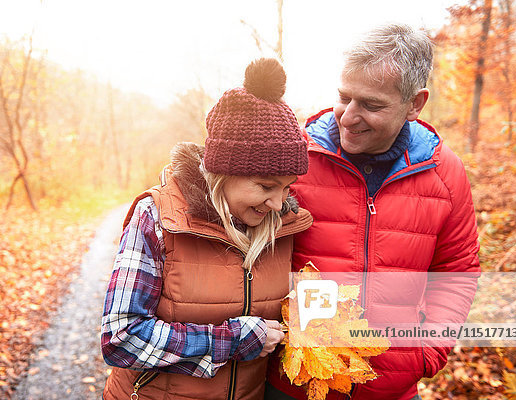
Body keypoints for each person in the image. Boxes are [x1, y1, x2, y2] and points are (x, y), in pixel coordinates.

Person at [266, 24, 481, 400]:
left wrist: (426, 353)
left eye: (371, 104)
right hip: (291, 385)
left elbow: (457, 270)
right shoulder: (294, 156)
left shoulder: (445, 173)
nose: (347, 116)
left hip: (391, 388)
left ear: (415, 104)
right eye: (344, 97)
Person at [100, 58, 313, 400]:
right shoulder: (158, 218)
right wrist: (235, 340)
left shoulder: (283, 227)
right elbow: (121, 338)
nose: (278, 203)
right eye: (265, 186)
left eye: (287, 188)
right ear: (223, 172)